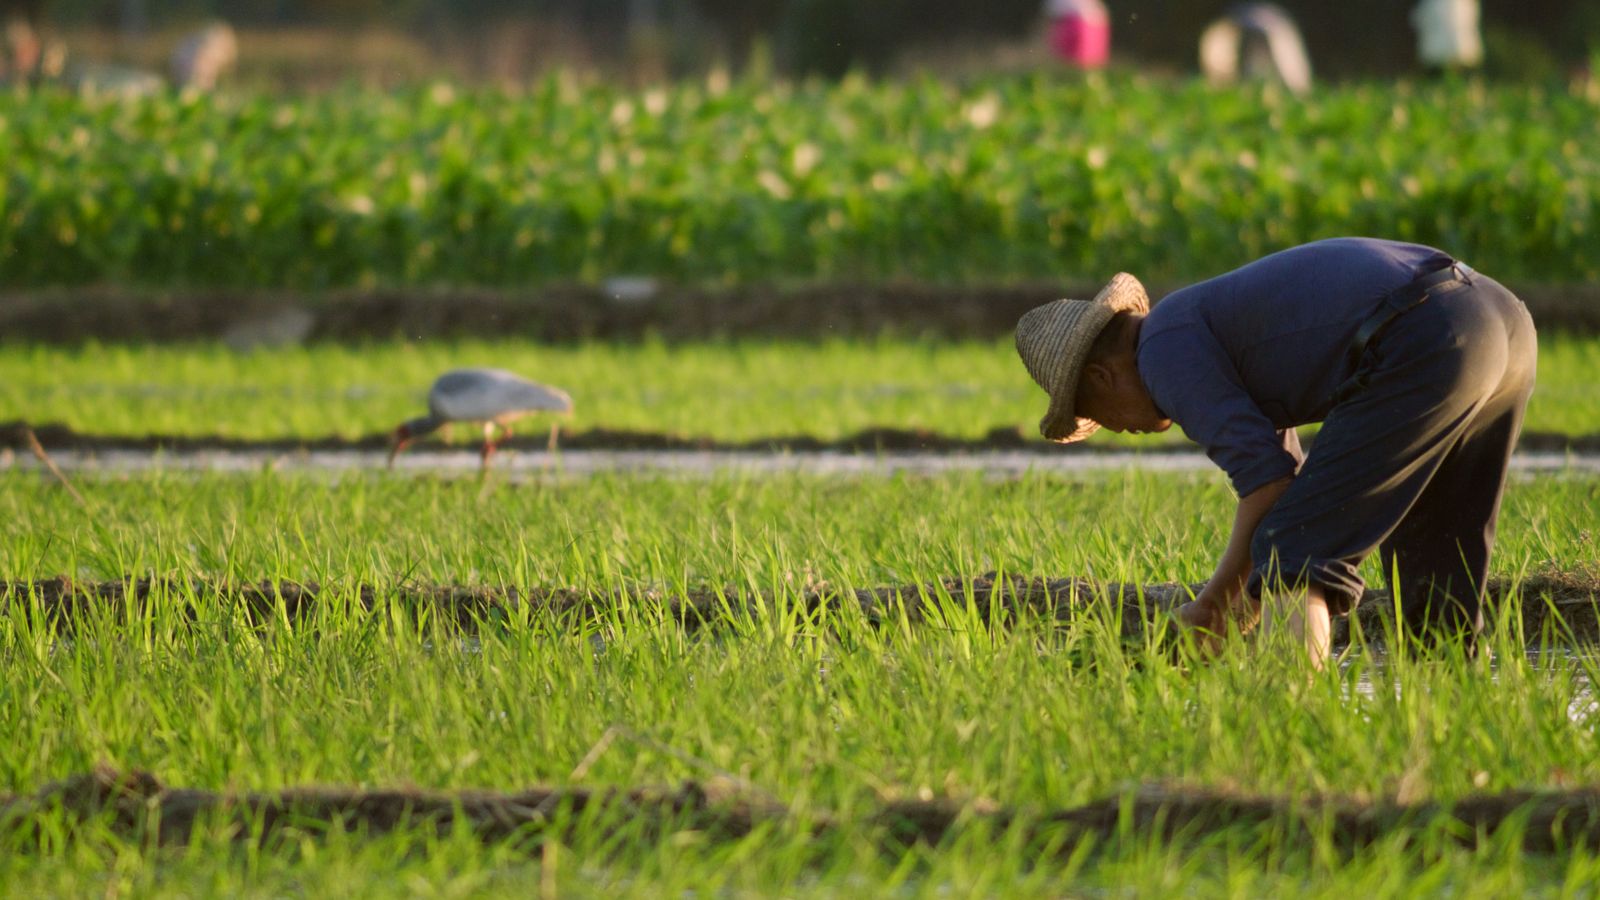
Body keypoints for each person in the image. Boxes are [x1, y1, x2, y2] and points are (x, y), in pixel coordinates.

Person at [1013, 238, 1536, 665]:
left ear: (1101, 377)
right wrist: (1232, 608)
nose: (1118, 430)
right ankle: (1448, 713)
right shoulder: (1200, 328)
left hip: (1425, 334)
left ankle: (1291, 723)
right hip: (1499, 320)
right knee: (1436, 562)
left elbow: (1269, 489)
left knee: (1293, 550)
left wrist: (1212, 607)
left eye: (1096, 416)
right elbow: (1284, 484)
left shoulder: (1160, 353)